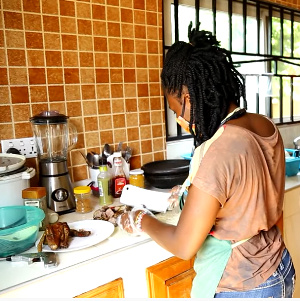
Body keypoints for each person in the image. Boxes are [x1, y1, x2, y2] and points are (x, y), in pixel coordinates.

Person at [117, 23, 296, 298]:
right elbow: (245, 194)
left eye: (177, 110)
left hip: (244, 285)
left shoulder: (220, 149)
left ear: (189, 99)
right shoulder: (264, 125)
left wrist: (141, 219)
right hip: (279, 267)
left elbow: (184, 244)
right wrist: (191, 192)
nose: (181, 120)